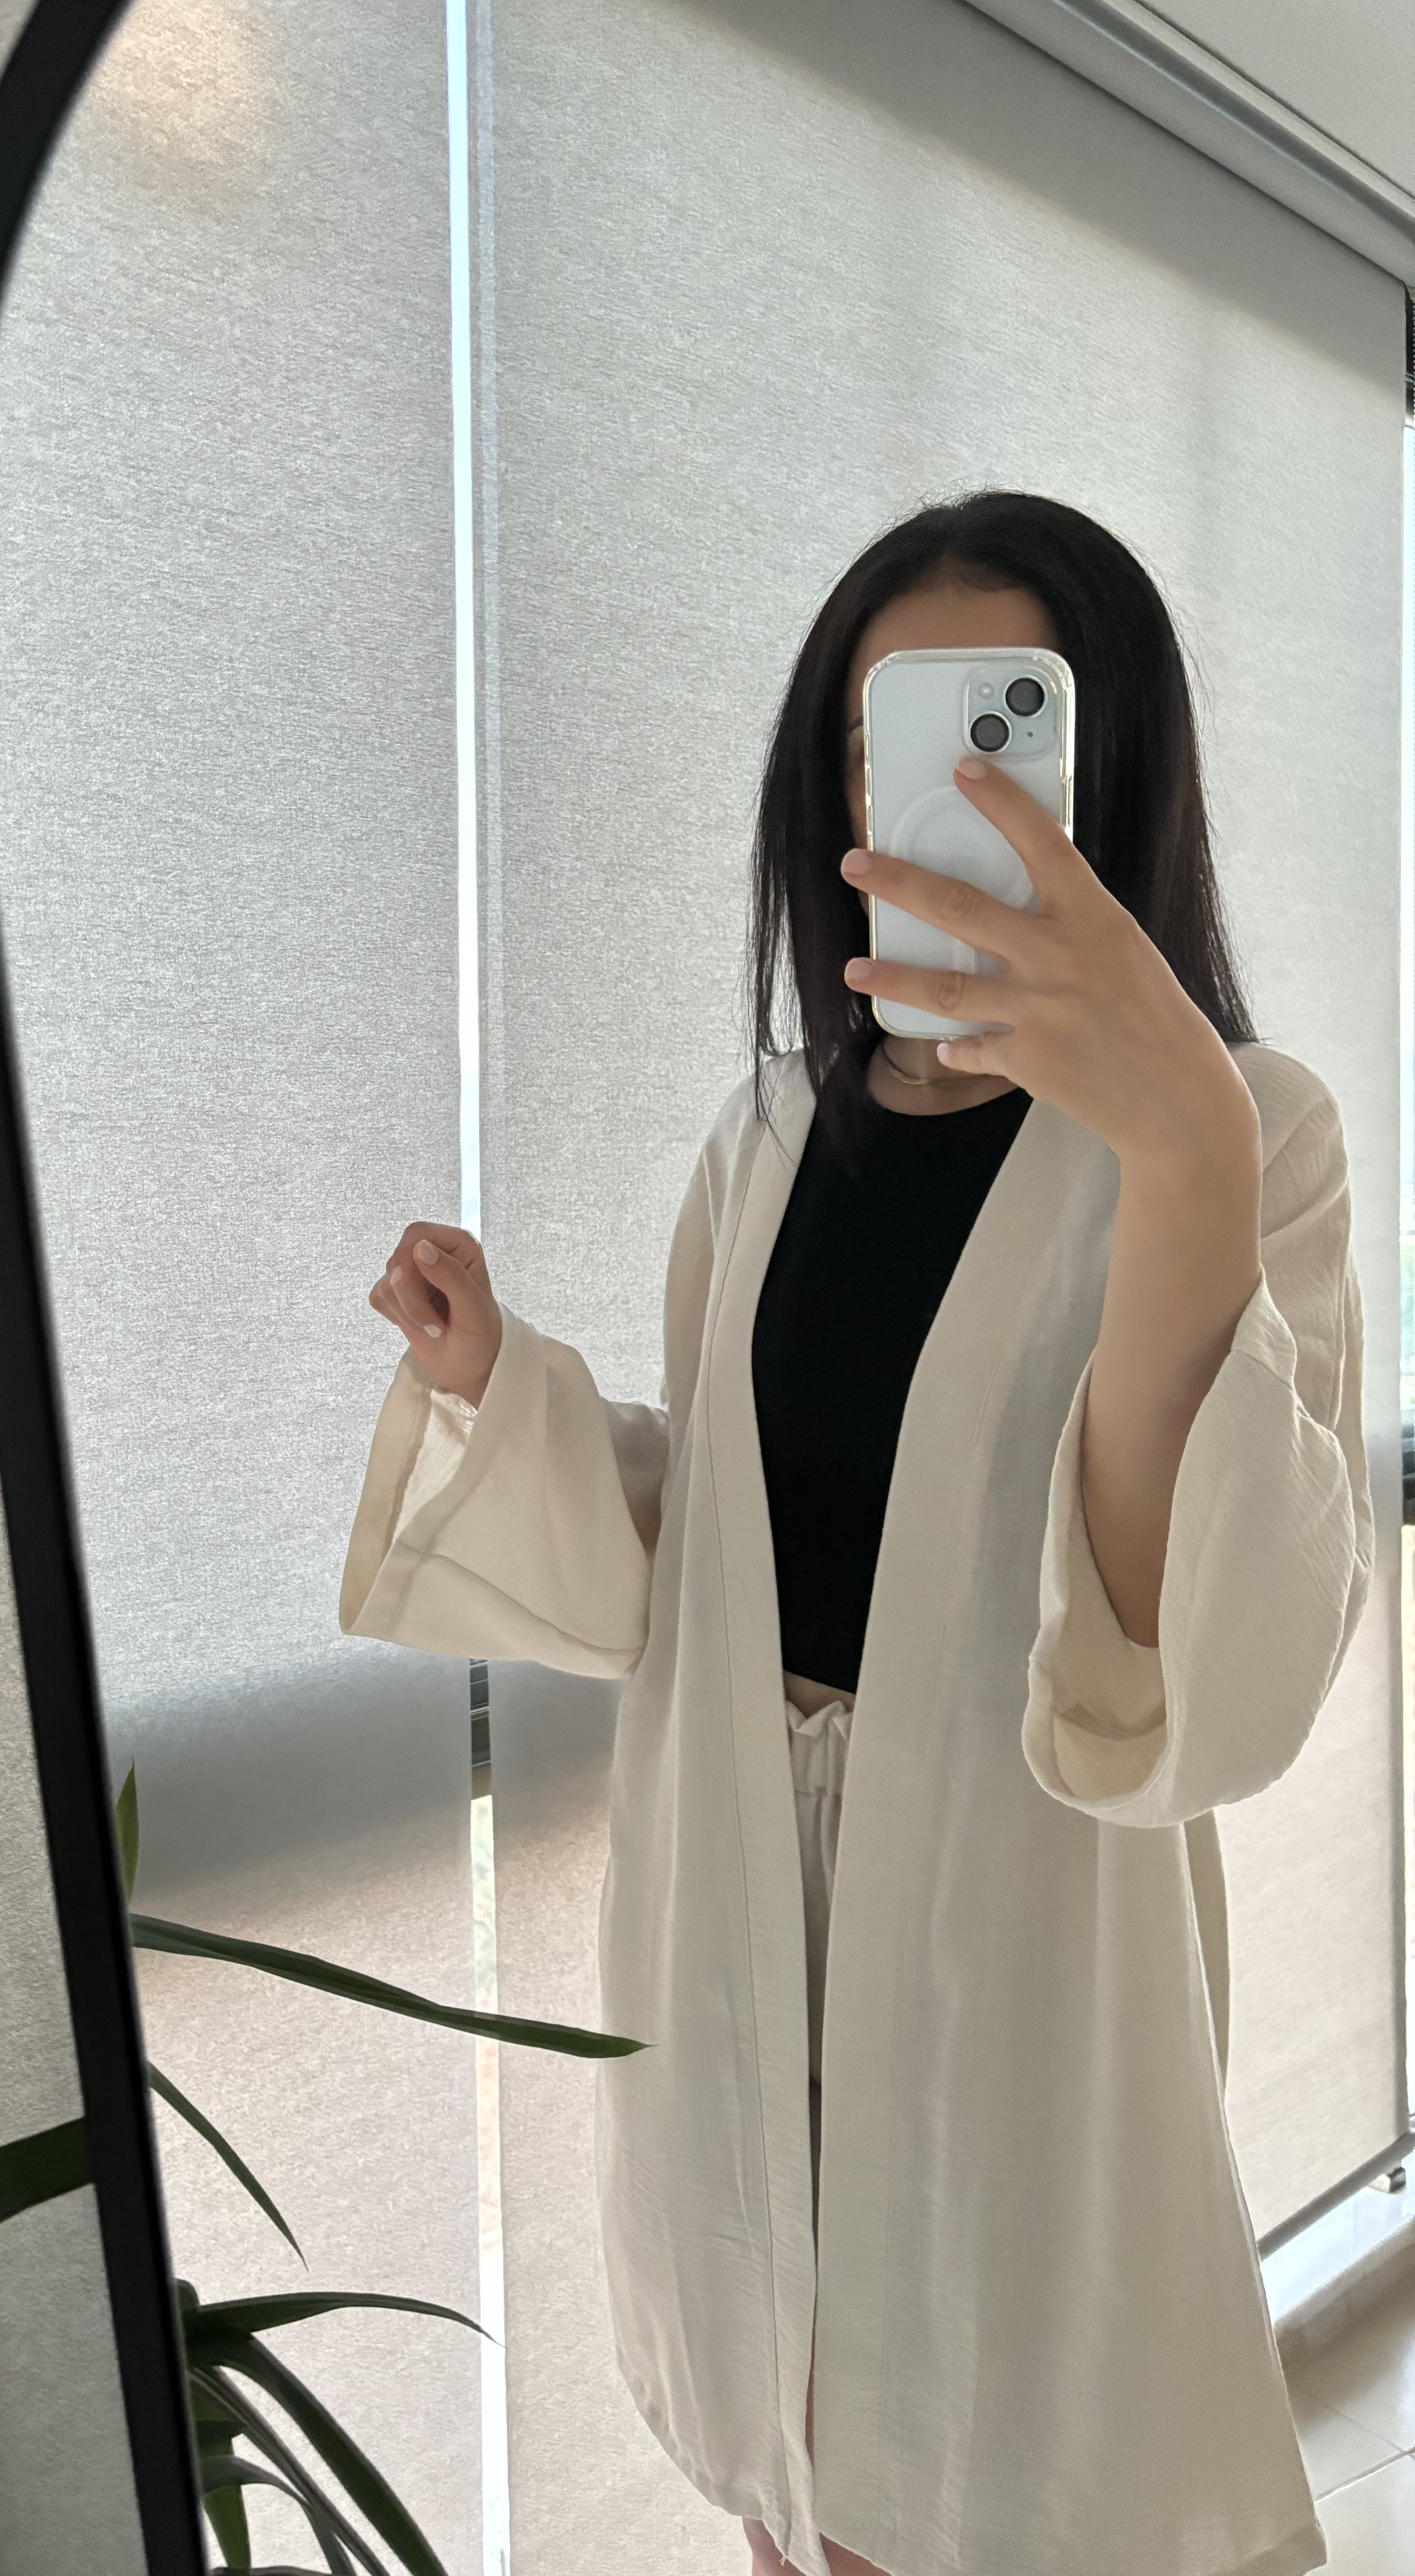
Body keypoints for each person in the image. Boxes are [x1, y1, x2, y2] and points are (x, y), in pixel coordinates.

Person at [338, 492, 1371, 2576]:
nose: (943, 812)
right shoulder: (770, 1133)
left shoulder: (1247, 1130)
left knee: (1006, 2461)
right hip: (737, 1896)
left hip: (1013, 1927)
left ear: (1110, 772)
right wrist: (502, 1391)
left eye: (1005, 744)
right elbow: (717, 1542)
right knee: (793, 2463)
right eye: (883, 751)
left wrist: (1176, 1147)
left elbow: (1204, 1666)